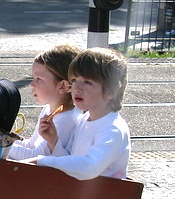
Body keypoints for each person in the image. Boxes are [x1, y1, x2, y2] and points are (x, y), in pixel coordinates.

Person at [26, 48, 131, 180]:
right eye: (74, 80)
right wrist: (54, 141)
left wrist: (41, 161)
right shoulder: (84, 119)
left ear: (111, 91)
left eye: (87, 82)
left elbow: (89, 167)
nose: (77, 88)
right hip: (79, 195)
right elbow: (68, 161)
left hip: (102, 198)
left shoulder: (113, 128)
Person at [7, 44, 82, 161]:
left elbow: (35, 156)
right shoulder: (48, 109)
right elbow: (31, 145)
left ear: (63, 86)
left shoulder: (68, 119)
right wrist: (3, 139)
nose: (32, 85)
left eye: (39, 79)